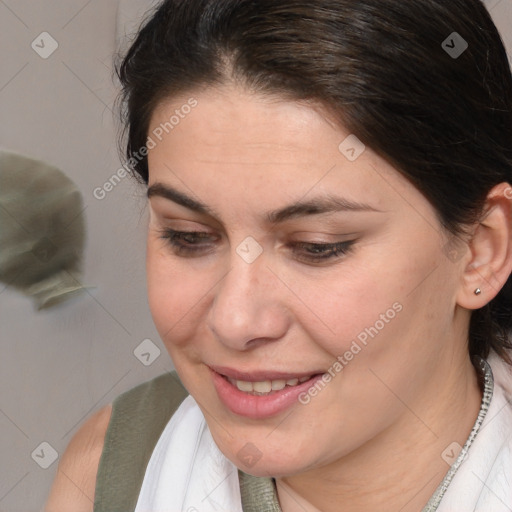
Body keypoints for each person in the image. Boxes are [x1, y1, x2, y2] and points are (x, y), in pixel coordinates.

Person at [45, 0, 512, 510]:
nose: (235, 320)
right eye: (188, 236)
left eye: (317, 247)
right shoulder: (112, 472)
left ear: (480, 251)